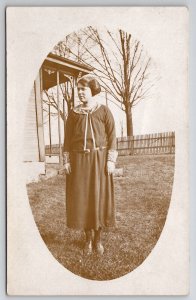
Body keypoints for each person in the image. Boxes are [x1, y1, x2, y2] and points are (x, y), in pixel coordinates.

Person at [63, 74, 118, 256]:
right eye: (78, 90)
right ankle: (87, 239)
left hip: (100, 161)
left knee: (99, 198)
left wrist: (110, 160)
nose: (80, 93)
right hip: (79, 163)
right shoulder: (73, 114)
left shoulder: (104, 111)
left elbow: (112, 137)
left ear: (92, 91)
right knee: (82, 199)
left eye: (83, 90)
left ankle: (98, 240)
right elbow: (67, 140)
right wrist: (67, 161)